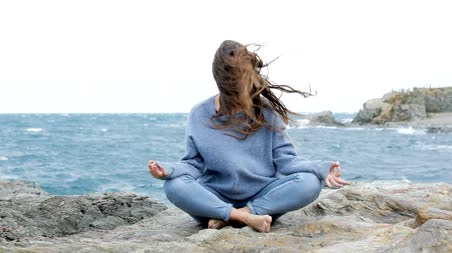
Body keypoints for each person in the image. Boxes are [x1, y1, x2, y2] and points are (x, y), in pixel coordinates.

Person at [148, 40, 349, 233]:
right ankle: (241, 217)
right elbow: (193, 163)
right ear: (221, 83)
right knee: (174, 185)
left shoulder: (267, 111)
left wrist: (321, 170)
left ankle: (238, 215)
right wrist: (168, 171)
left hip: (262, 201)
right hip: (215, 200)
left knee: (310, 182)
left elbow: (287, 161)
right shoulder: (199, 113)